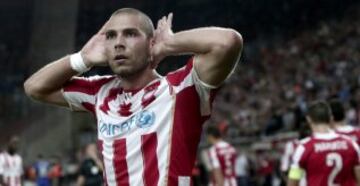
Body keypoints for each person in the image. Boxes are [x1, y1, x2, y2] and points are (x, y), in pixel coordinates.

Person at [24, 8, 243, 186]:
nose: (119, 43)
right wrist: (83, 58)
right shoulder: (99, 92)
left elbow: (227, 42)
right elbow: (35, 87)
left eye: (130, 33)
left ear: (151, 44)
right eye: (111, 36)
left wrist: (169, 44)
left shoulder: (180, 89)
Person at [287, 101, 360, 186]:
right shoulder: (351, 144)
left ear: (308, 119)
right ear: (331, 118)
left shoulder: (304, 148)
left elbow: (293, 181)